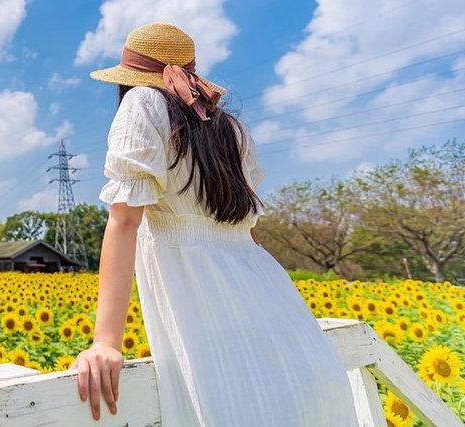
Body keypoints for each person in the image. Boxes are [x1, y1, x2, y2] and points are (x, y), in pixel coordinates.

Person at [71, 22, 359, 426]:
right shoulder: (230, 129)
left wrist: (105, 342)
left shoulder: (142, 104)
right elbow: (248, 231)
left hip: (203, 305)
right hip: (274, 302)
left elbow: (123, 222)